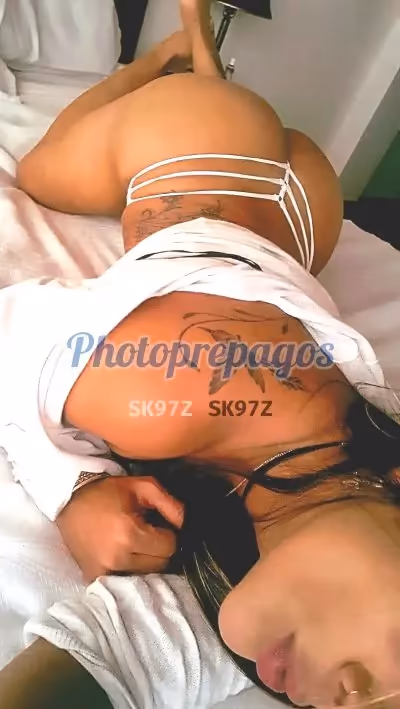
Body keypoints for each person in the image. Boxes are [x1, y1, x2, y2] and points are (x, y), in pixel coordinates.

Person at [1, 0, 400, 706]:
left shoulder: (357, 454)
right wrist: (74, 488)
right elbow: (15, 326)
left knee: (215, 103)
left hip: (306, 220)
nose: (354, 698)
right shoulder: (162, 394)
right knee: (35, 174)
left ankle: (204, 62)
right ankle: (168, 56)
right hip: (198, 152)